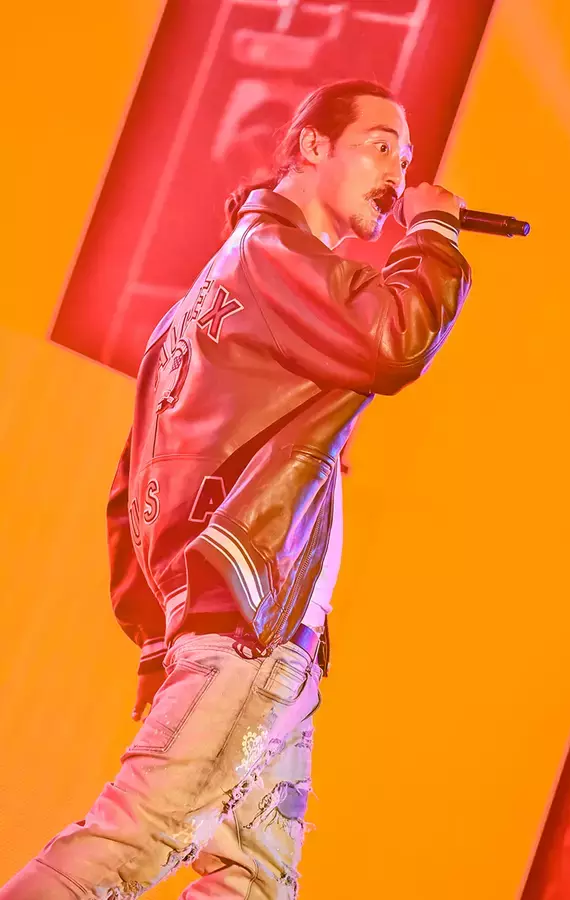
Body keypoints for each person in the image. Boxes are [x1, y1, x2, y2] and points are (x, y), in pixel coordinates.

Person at [0, 79, 471, 899]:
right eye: (381, 145)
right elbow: (394, 338)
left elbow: (132, 492)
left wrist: (167, 634)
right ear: (313, 146)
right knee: (130, 845)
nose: (399, 171)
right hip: (249, 629)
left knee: (252, 879)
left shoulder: (211, 295)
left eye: (406, 156)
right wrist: (432, 234)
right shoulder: (273, 257)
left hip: (254, 634)